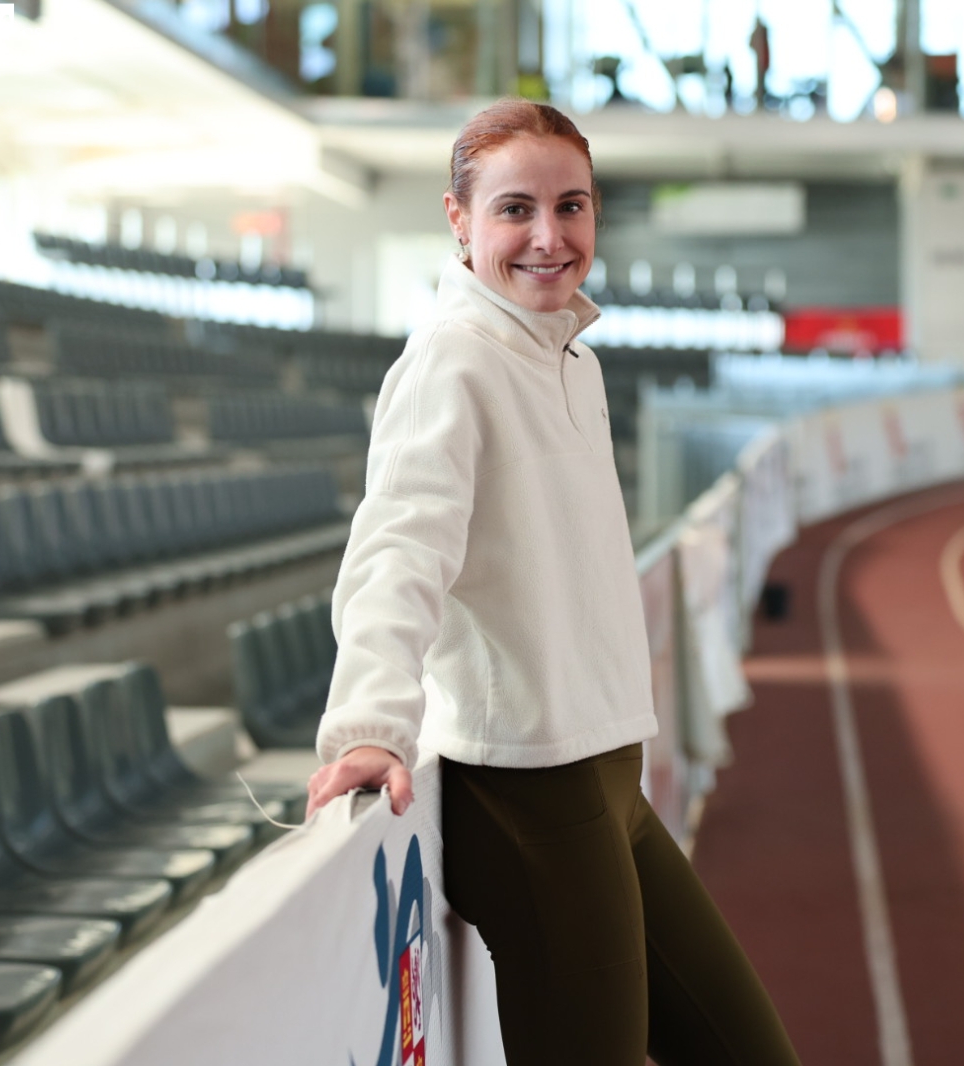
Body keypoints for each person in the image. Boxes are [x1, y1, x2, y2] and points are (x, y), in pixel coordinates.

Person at [306, 100, 802, 1066]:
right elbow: (397, 552)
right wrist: (369, 725)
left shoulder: (575, 359)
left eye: (571, 207)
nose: (548, 236)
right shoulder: (450, 362)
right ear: (459, 218)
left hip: (612, 772)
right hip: (529, 791)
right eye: (514, 210)